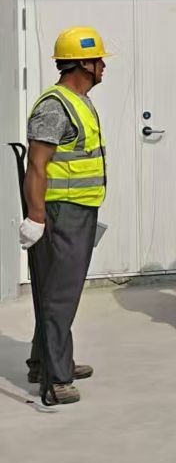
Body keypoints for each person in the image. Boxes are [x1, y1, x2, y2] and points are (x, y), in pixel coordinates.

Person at [18, 26, 111, 403]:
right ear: (83, 64)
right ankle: (56, 380)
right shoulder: (55, 106)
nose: (103, 66)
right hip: (61, 212)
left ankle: (44, 360)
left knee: (56, 290)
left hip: (79, 208)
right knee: (61, 294)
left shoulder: (78, 100)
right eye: (99, 60)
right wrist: (36, 217)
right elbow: (37, 165)